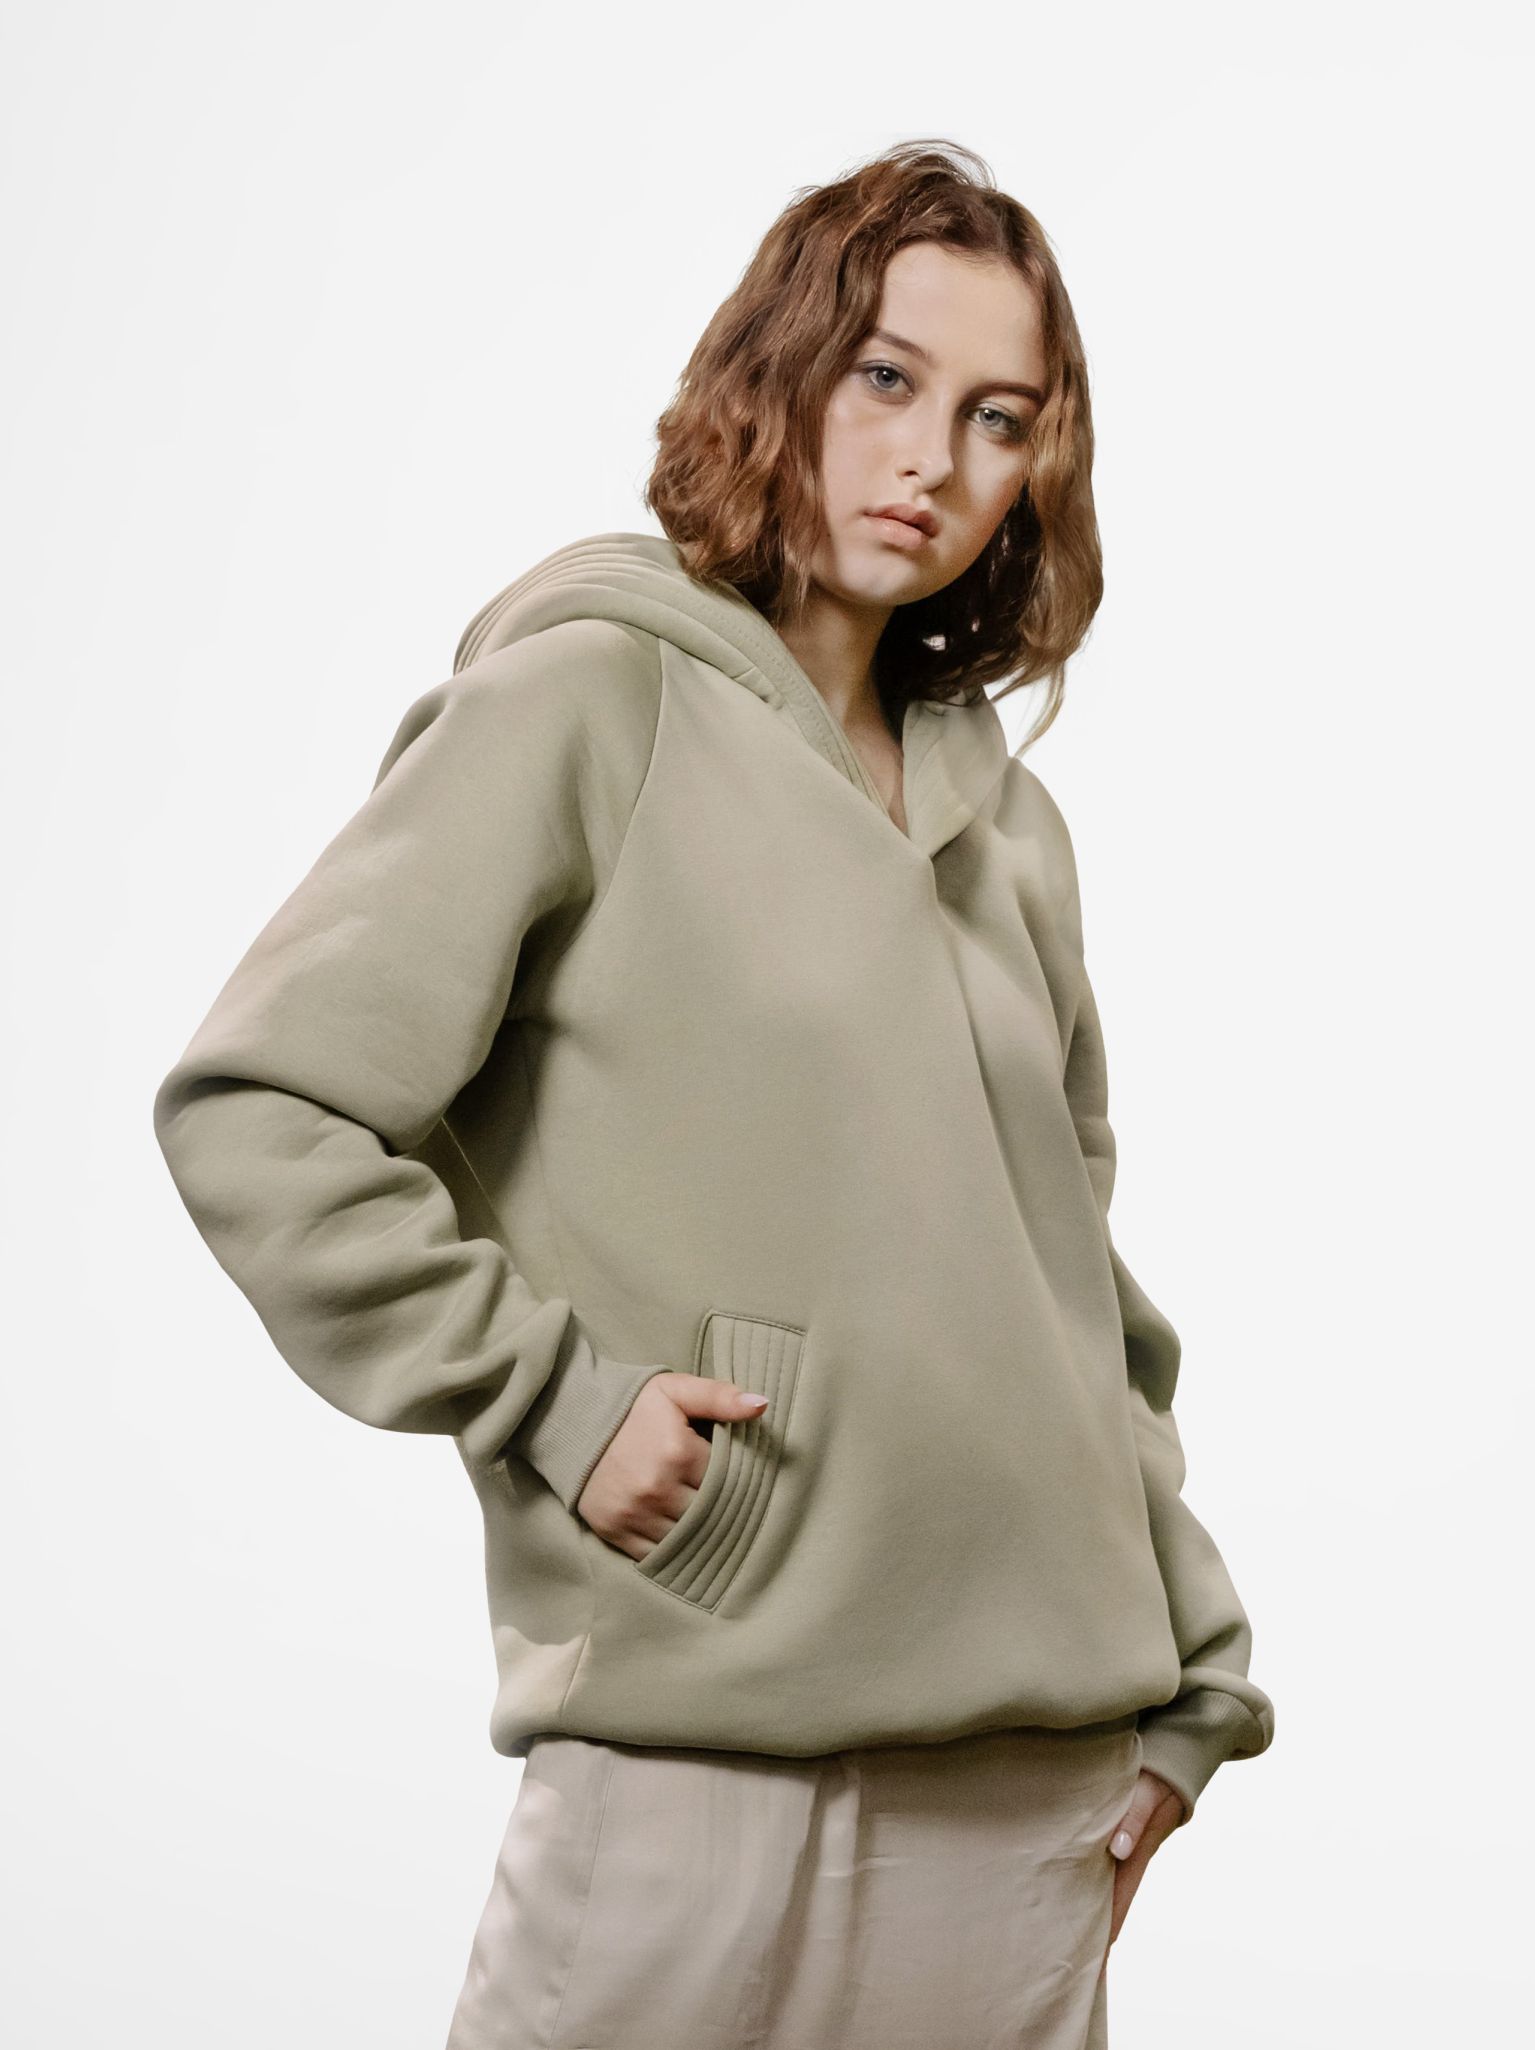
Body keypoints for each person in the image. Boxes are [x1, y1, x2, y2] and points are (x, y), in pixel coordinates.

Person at [152, 137, 1275, 2050]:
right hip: (706, 1752)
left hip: (1040, 1780)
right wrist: (555, 1400)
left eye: (999, 418)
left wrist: (1194, 1674)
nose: (933, 459)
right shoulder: (590, 700)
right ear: (786, 368)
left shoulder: (1015, 831)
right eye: (888, 377)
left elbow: (1074, 1282)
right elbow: (262, 1106)